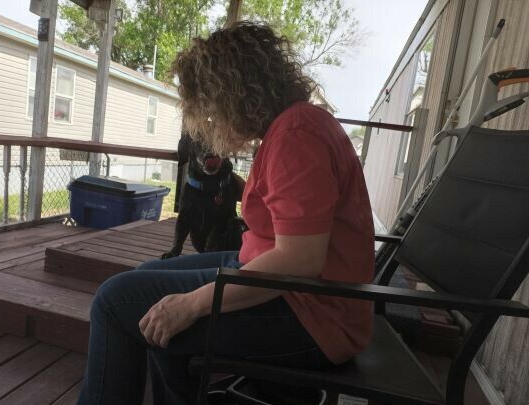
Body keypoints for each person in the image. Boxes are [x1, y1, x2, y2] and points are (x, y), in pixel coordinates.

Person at [78, 21, 375, 405]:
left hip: (314, 316)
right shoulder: (293, 126)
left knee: (113, 301)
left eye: (209, 108)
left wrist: (193, 303)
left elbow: (300, 261)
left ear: (233, 94)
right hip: (292, 289)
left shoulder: (296, 135)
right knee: (144, 280)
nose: (209, 122)